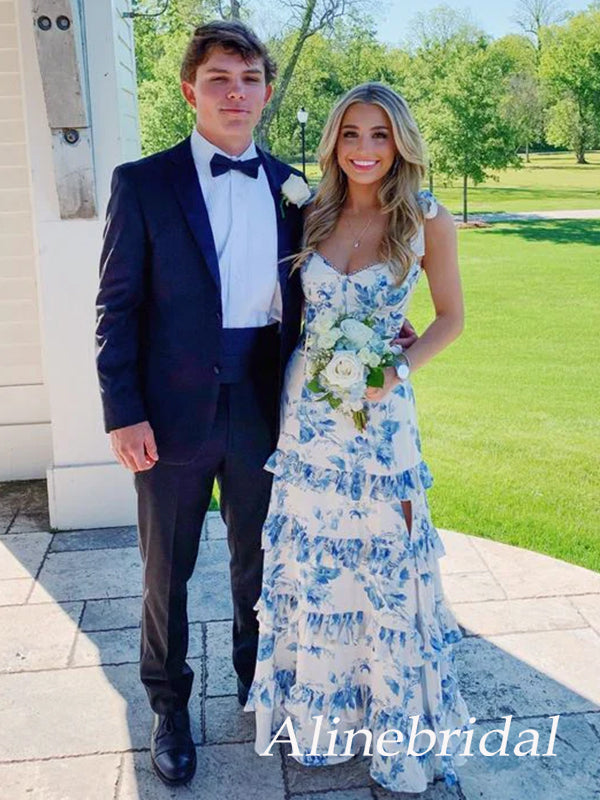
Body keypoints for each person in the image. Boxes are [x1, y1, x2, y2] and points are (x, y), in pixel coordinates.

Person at [95, 20, 420, 788]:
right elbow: (116, 306)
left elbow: (325, 283)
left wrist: (381, 329)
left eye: (249, 80)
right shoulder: (142, 183)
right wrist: (122, 410)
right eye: (219, 79)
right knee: (165, 569)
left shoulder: (297, 190)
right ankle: (169, 709)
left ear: (267, 93)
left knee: (263, 558)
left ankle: (257, 680)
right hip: (169, 410)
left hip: (267, 404)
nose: (235, 94)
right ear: (191, 90)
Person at [244, 82, 472, 794]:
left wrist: (397, 368)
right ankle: (323, 720)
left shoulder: (425, 219)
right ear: (334, 143)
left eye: (379, 135)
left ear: (399, 142)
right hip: (307, 421)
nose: (365, 149)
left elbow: (451, 319)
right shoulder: (310, 211)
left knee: (384, 560)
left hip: (381, 420)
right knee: (317, 562)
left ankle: (394, 726)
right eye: (351, 134)